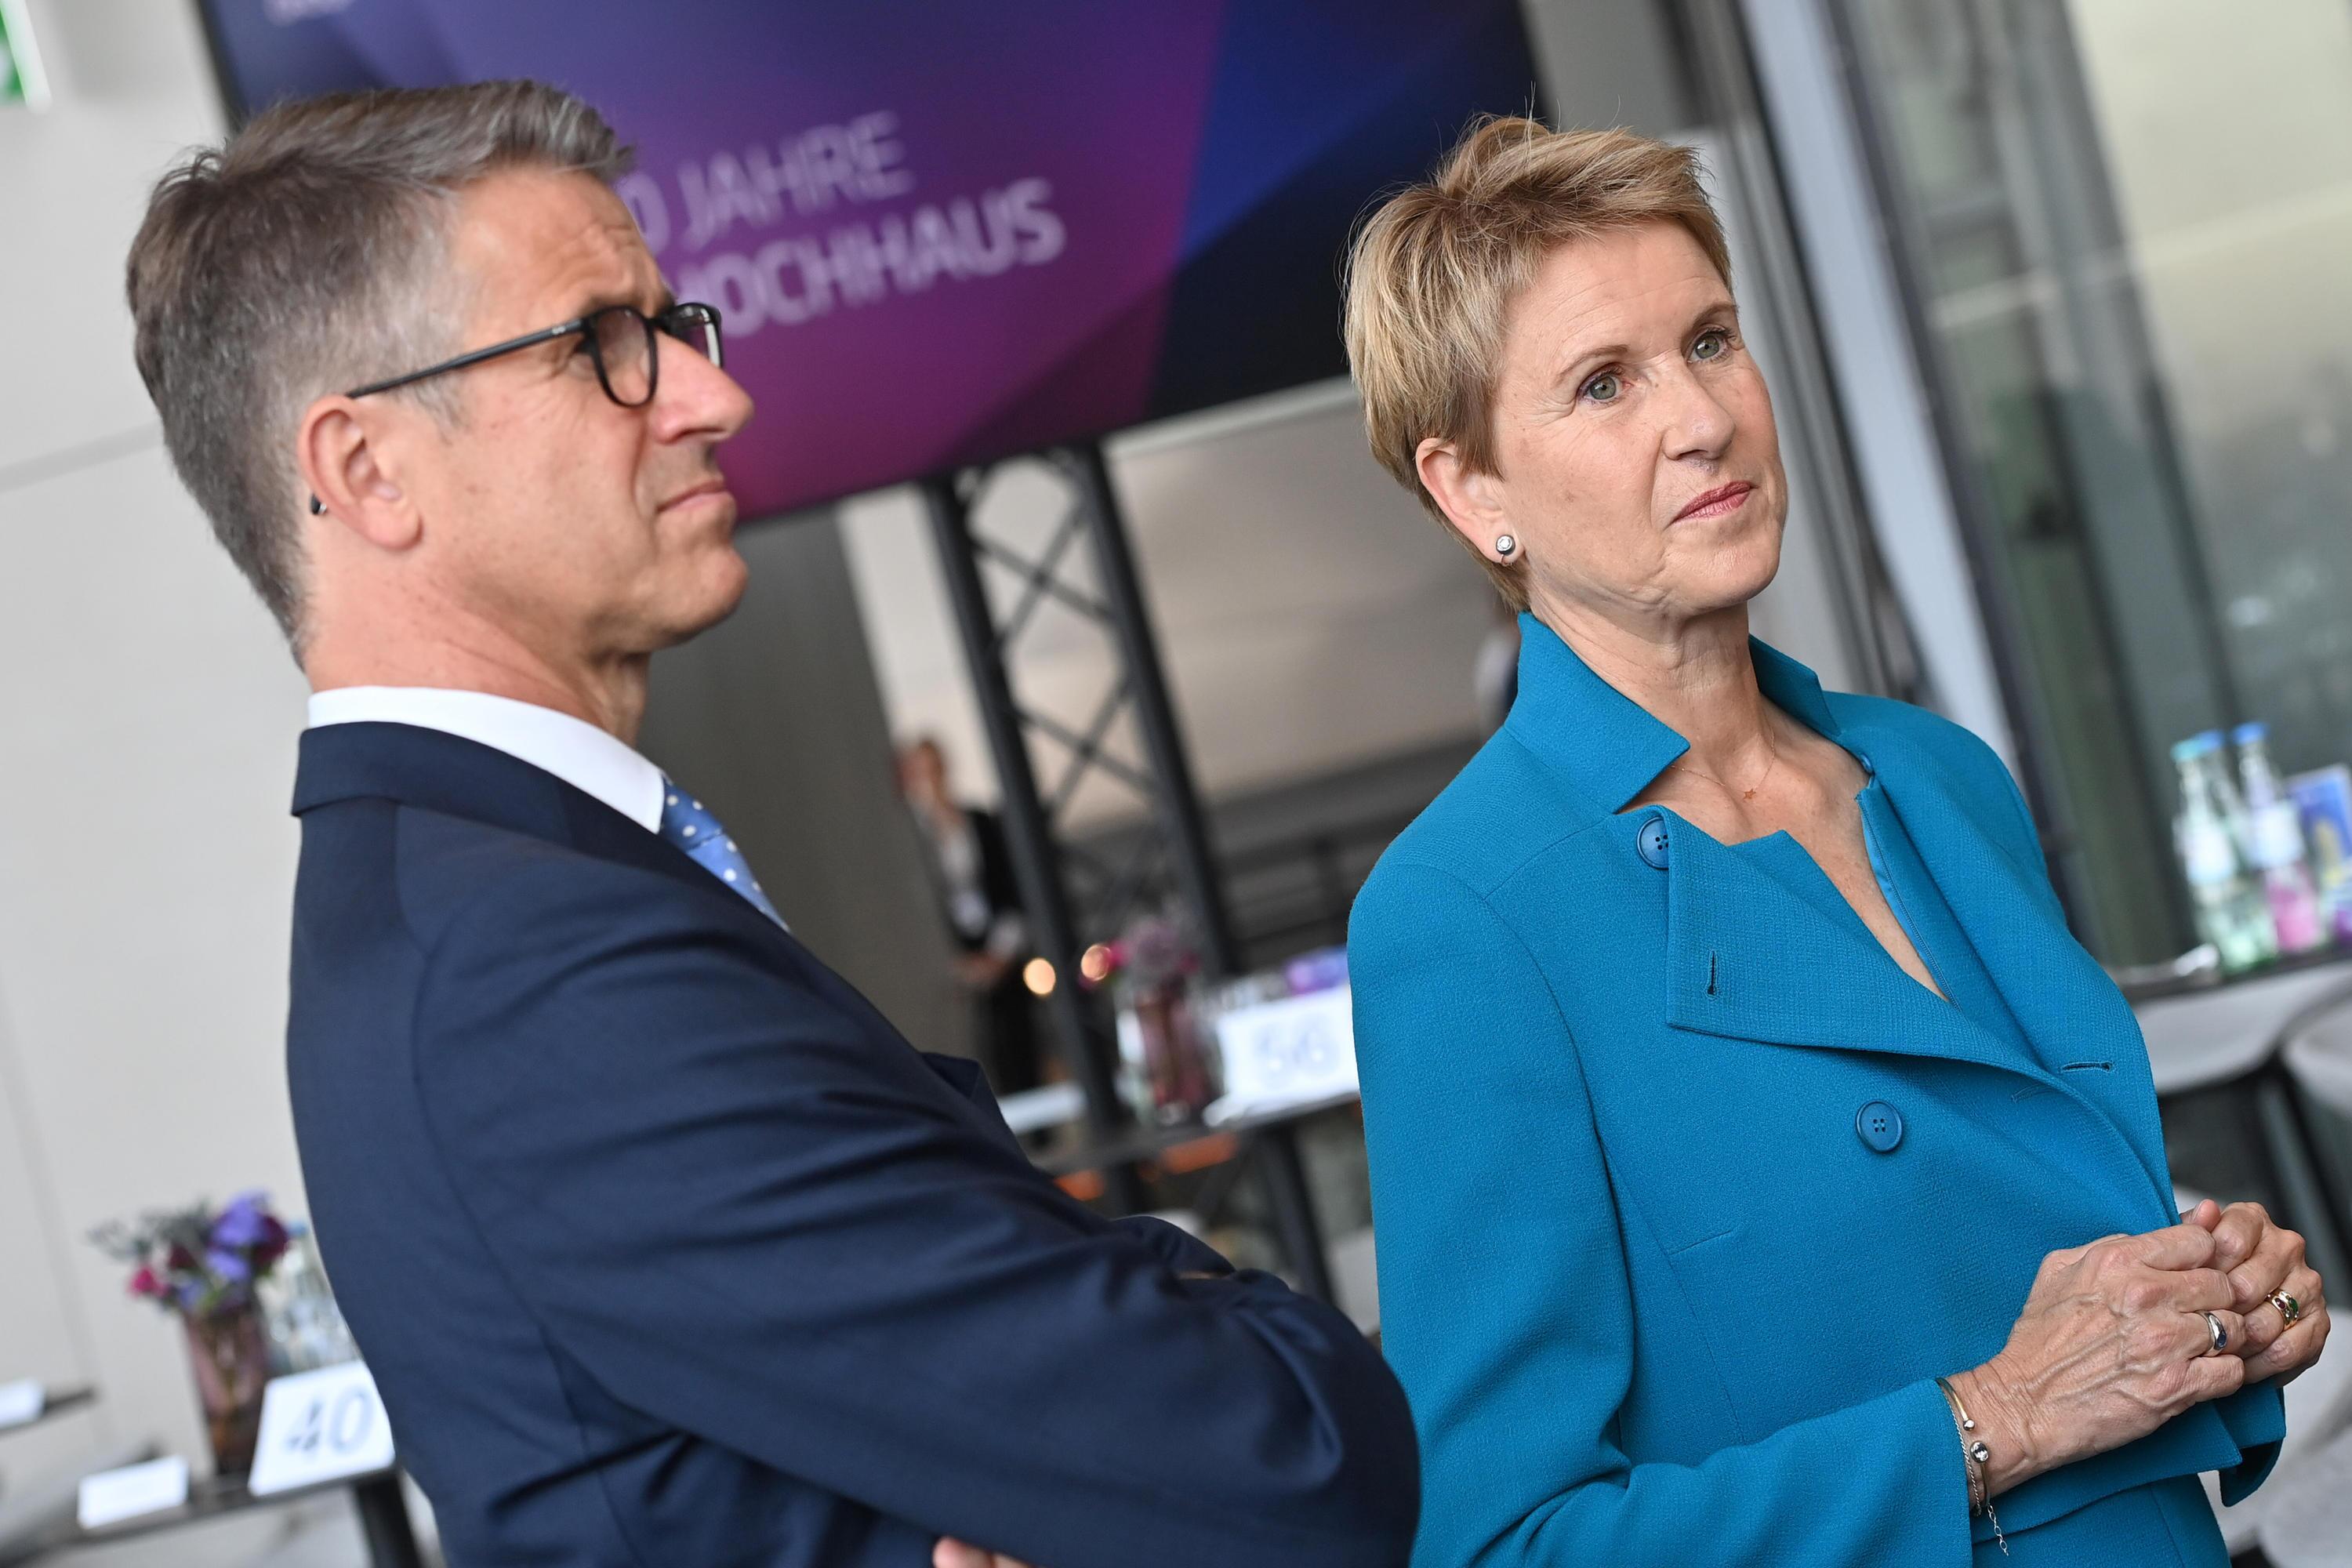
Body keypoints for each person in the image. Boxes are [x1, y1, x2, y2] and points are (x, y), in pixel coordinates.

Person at [126, 81, 1417, 1568]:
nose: (712, 397)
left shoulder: (496, 896)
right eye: (601, 345)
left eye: (675, 328)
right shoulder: (529, 967)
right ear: (368, 471)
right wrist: (1223, 1352)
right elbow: (1277, 1462)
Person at [1341, 118, 2329, 1566]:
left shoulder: (1933, 775)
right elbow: (1507, 1543)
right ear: (1471, 489)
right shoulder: (1465, 916)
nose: (1702, 418)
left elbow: (2026, 1243)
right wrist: (1992, 1420)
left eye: (1711, 341)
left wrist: (2219, 1309)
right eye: (1605, 383)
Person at [898, 737, 1046, 1095]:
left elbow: (1011, 890)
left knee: (1019, 1043)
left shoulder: (979, 822)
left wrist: (998, 956)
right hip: (954, 958)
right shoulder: (913, 840)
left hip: (998, 952)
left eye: (934, 768)